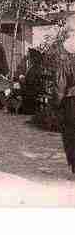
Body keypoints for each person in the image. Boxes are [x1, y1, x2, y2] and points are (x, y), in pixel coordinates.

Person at [56, 13, 75, 175]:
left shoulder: (66, 53)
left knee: (71, 132)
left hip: (72, 99)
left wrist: (58, 100)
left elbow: (61, 82)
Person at [20, 48, 43, 115]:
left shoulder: (34, 67)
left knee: (16, 88)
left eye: (29, 56)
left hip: (32, 88)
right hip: (33, 87)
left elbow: (30, 81)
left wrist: (22, 79)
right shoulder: (35, 67)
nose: (28, 57)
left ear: (33, 58)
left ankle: (26, 108)